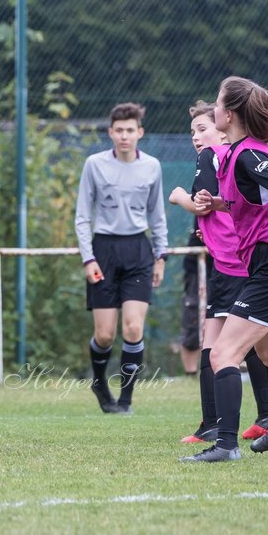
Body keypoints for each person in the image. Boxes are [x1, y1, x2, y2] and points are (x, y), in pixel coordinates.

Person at [169, 102, 268, 444]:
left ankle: (224, 423)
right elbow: (217, 206)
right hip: (237, 259)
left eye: (203, 128)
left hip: (233, 263)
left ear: (221, 126)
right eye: (192, 133)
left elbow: (201, 202)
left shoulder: (214, 154)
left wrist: (179, 196)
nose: (197, 138)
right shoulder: (239, 156)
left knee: (224, 342)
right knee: (252, 341)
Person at [74, 102, 168, 415]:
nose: (124, 136)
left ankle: (126, 400)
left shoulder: (152, 166)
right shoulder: (94, 164)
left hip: (138, 252)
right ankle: (99, 382)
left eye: (130, 130)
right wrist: (89, 258)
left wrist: (160, 256)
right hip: (104, 252)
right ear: (110, 133)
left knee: (132, 329)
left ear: (139, 133)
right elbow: (82, 216)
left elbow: (157, 215)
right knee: (104, 334)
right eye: (119, 130)